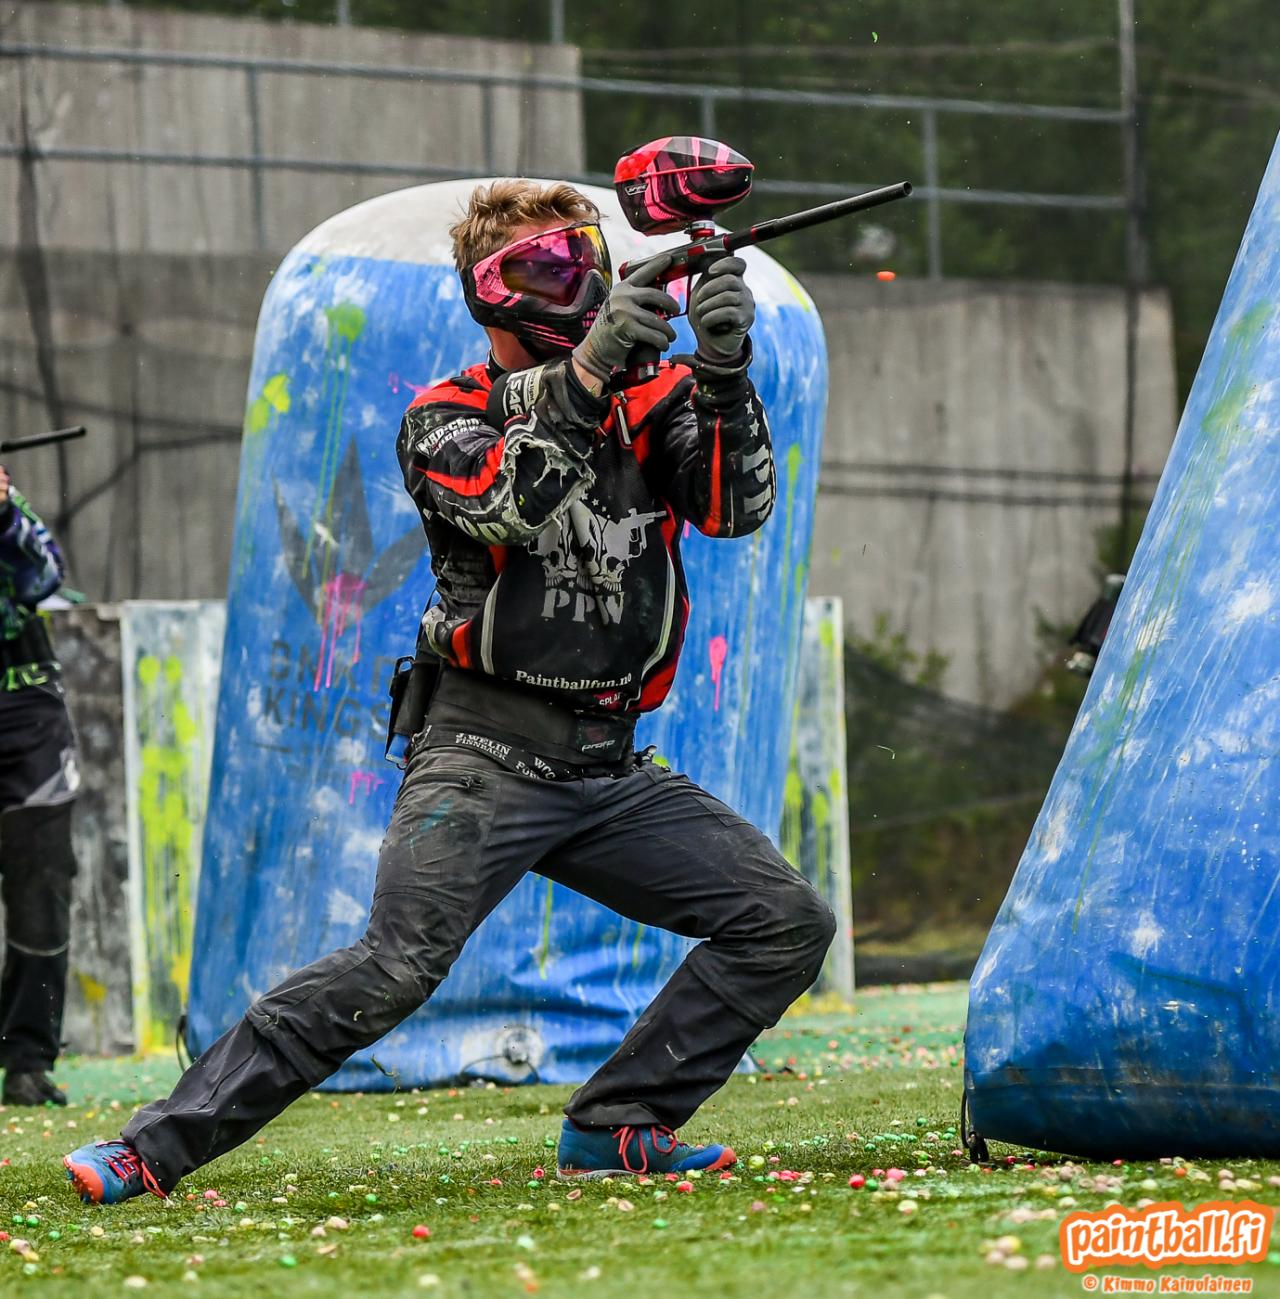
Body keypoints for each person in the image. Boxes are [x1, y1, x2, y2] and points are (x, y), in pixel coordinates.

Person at [64, 179, 834, 1204]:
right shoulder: (444, 416)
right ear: (487, 294)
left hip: (607, 769)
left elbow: (734, 507)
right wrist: (593, 370)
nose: (576, 284)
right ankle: (148, 1147)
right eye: (544, 269)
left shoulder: (651, 403)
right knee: (394, 966)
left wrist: (726, 378)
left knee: (785, 921)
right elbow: (513, 501)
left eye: (582, 259)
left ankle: (617, 1122)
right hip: (480, 756)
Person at [0, 463, 79, 1107]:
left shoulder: (10, 509)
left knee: (43, 884)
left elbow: (44, 578)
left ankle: (28, 1058)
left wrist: (2, 515)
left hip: (27, 716)